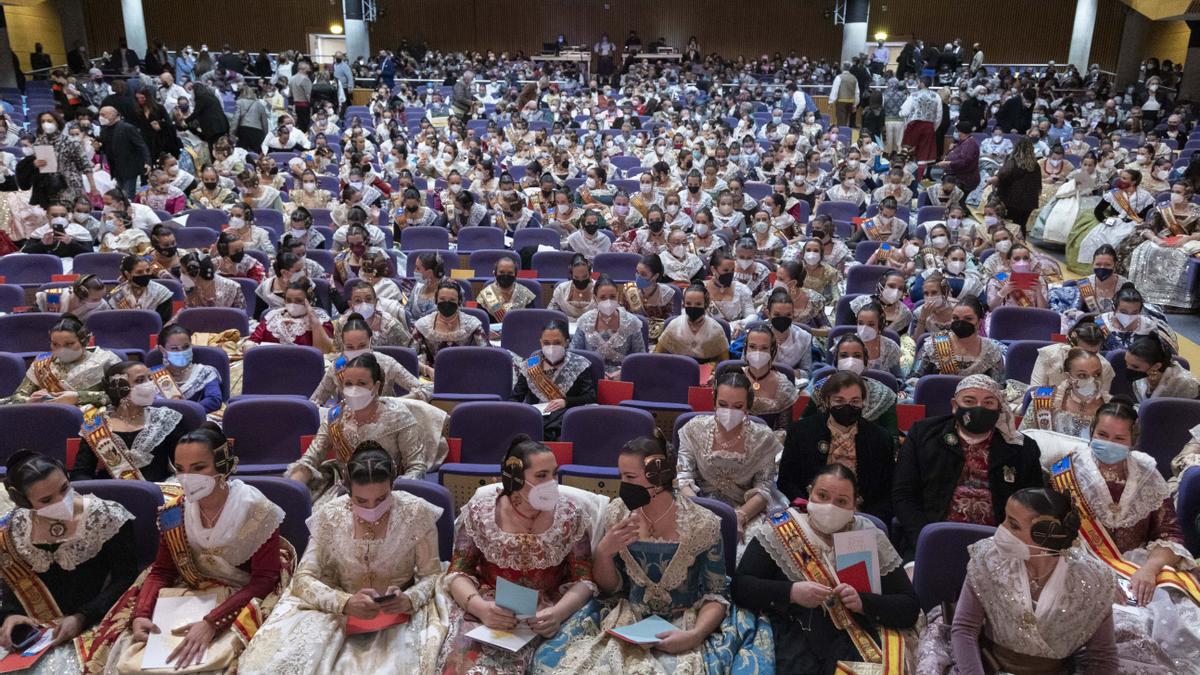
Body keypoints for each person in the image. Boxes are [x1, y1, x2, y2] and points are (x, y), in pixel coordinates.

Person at [537, 435, 774, 673]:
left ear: (659, 477)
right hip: (629, 617)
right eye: (621, 476)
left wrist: (694, 635)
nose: (623, 485)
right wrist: (604, 553)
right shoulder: (617, 513)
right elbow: (612, 589)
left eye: (630, 477)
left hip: (687, 619)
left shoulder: (702, 524)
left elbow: (716, 594)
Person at [90, 424, 293, 673]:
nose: (187, 478)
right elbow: (162, 571)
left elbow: (264, 580)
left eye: (198, 468)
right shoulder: (175, 512)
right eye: (180, 469)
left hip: (242, 593)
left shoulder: (257, 510)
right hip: (188, 590)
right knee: (131, 659)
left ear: (223, 465)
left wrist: (212, 622)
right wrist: (142, 614)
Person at [242, 443, 449, 674]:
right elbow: (303, 577)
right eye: (361, 501)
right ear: (348, 490)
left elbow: (432, 574)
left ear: (392, 485)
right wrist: (344, 602)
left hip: (399, 611)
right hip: (340, 610)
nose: (372, 508)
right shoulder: (330, 516)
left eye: (381, 499)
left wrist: (410, 598)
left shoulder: (416, 512)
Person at [1032, 402, 1200, 671]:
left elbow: (1169, 534)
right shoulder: (1063, 474)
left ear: (1133, 440)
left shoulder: (1149, 476)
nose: (1109, 443)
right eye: (1102, 435)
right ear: (1091, 432)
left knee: (1184, 621)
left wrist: (1149, 569)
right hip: (1079, 569)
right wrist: (1097, 578)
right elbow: (1051, 538)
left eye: (1119, 438)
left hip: (1140, 570)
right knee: (1121, 630)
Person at [734, 463, 918, 674]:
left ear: (854, 505)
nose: (830, 506)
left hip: (859, 636)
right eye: (822, 495)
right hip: (795, 634)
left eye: (841, 501)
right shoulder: (779, 529)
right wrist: (791, 592)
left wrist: (863, 603)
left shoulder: (868, 535)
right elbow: (741, 587)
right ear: (810, 492)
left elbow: (909, 607)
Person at [915, 487, 1119, 674]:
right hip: (987, 665)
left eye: (1013, 524)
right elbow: (965, 630)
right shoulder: (987, 558)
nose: (1001, 529)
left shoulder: (1095, 580)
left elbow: (1102, 657)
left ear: (1046, 535)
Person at [438, 436, 596, 673]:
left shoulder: (570, 515)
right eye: (541, 476)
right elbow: (458, 572)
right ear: (515, 478)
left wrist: (557, 613)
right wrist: (482, 609)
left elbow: (584, 579)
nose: (552, 482)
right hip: (493, 610)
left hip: (551, 611)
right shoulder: (482, 511)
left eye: (554, 473)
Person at [0, 450, 140, 675]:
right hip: (36, 632)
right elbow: (11, 581)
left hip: (97, 620)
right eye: (46, 500)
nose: (60, 501)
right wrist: (10, 615)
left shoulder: (106, 516)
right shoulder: (14, 528)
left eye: (64, 488)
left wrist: (82, 617)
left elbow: (126, 577)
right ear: (23, 501)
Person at [893, 374, 1043, 557]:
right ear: (955, 405)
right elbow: (903, 495)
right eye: (969, 401)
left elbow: (1032, 507)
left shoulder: (1022, 448)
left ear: (999, 408)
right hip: (930, 538)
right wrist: (925, 540)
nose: (979, 409)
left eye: (988, 403)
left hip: (999, 548)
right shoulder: (923, 434)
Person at [287, 353, 445, 505]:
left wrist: (389, 496)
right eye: (348, 384)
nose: (354, 389)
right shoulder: (335, 415)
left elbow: (416, 467)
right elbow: (312, 456)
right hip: (342, 491)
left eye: (361, 383)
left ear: (376, 386)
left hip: (388, 493)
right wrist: (293, 488)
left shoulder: (399, 416)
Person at [677, 367, 785, 540]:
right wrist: (701, 513)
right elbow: (683, 479)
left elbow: (763, 489)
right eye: (723, 404)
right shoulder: (693, 429)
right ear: (714, 402)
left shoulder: (763, 438)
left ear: (748, 406)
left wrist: (739, 517)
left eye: (738, 406)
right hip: (697, 504)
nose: (729, 411)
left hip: (745, 508)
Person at [781, 372, 896, 524]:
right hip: (808, 512)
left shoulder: (880, 438)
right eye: (839, 401)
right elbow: (786, 481)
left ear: (863, 402)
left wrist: (865, 519)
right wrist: (807, 507)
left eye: (855, 401)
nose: (847, 407)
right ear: (828, 401)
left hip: (859, 518)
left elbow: (886, 492)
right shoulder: (801, 431)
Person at [70, 360, 184, 482]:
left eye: (149, 378)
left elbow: (185, 467)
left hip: (161, 494)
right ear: (119, 389)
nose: (150, 384)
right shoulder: (96, 426)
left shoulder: (166, 418)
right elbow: (81, 475)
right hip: (112, 495)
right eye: (140, 380)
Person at [2, 314, 121, 407]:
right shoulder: (42, 364)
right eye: (55, 344)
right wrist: (30, 400)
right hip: (47, 417)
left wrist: (78, 397)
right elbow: (18, 396)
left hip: (92, 422)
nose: (61, 349)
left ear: (84, 341)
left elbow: (123, 395)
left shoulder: (106, 361)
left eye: (69, 344)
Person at [310, 315, 430, 406]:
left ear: (370, 341)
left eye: (362, 346)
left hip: (386, 421)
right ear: (343, 344)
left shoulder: (386, 363)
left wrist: (392, 402)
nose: (356, 351)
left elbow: (426, 389)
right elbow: (314, 401)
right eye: (350, 347)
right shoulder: (337, 366)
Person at [802, 335, 900, 441]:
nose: (850, 361)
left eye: (857, 356)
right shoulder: (821, 390)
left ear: (865, 360)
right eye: (844, 355)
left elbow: (892, 439)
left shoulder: (884, 395)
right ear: (836, 361)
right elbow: (802, 428)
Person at [513, 320, 597, 440]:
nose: (551, 347)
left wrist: (566, 402)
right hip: (537, 417)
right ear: (540, 343)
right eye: (546, 343)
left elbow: (590, 396)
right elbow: (515, 397)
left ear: (566, 342)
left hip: (566, 417)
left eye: (557, 343)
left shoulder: (579, 364)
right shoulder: (531, 365)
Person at [1127, 180, 1200, 311]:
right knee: (1147, 252)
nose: (1174, 195)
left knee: (1178, 257)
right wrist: (1155, 239)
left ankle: (1170, 301)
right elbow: (1148, 227)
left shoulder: (1196, 211)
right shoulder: (1163, 208)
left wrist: (1188, 238)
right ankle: (1145, 294)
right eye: (1173, 191)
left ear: (1187, 194)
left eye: (1178, 192)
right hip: (1160, 240)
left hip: (1183, 243)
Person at [1067, 169, 1155, 276]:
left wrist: (1135, 221)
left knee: (1118, 242)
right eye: (1121, 177)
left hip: (1133, 224)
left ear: (1133, 182)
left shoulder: (1145, 196)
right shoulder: (1114, 194)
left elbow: (1145, 216)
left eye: (1124, 178)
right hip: (1114, 222)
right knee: (1093, 238)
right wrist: (1105, 220)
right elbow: (1098, 210)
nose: (1120, 180)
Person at [1020, 348, 1112, 439]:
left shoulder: (1112, 405)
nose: (1092, 380)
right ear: (1069, 376)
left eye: (1097, 374)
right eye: (1082, 375)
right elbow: (1023, 440)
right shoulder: (1043, 398)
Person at [910, 295, 1005, 381]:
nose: (960, 322)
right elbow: (913, 381)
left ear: (980, 322)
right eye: (955, 318)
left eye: (968, 319)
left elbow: (998, 386)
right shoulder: (933, 344)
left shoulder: (991, 350)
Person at [410, 280, 487, 378]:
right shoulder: (423, 324)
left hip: (466, 376)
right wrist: (426, 369)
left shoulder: (472, 324)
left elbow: (486, 354)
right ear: (436, 300)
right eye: (442, 299)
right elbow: (410, 357)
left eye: (452, 300)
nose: (447, 303)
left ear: (459, 301)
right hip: (431, 378)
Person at [30, 111, 97, 208]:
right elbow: (36, 164)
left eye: (49, 121)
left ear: (57, 122)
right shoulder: (39, 142)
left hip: (70, 186)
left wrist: (93, 187)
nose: (46, 124)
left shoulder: (71, 141)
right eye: (43, 121)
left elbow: (85, 165)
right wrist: (35, 163)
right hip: (48, 186)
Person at [1027, 319, 1114, 393]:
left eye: (1094, 353)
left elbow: (1101, 402)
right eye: (1082, 352)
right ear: (1071, 344)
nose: (1088, 357)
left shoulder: (1104, 367)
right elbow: (1035, 391)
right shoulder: (1049, 355)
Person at [247, 279, 335, 352]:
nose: (293, 304)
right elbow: (254, 340)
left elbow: (323, 350)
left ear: (309, 301)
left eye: (299, 300)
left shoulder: (321, 320)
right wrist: (249, 346)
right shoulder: (272, 317)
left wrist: (314, 321)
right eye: (289, 300)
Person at [154, 324, 224, 413]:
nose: (181, 352)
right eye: (174, 348)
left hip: (198, 420)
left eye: (186, 347)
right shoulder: (154, 376)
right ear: (162, 350)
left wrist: (186, 411)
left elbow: (214, 401)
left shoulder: (205, 372)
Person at [655, 283, 731, 364]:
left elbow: (724, 363)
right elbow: (657, 356)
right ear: (684, 304)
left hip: (708, 374)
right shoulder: (674, 325)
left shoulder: (716, 329)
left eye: (698, 304)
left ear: (706, 304)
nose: (693, 307)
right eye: (688, 303)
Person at [334, 280, 411, 348]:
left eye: (368, 299)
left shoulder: (390, 324)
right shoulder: (343, 323)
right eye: (358, 300)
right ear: (351, 305)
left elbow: (409, 349)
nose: (364, 304)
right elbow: (339, 351)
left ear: (375, 302)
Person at [1124, 333, 1200, 402]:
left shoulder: (1188, 385)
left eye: (1135, 366)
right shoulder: (1142, 376)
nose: (1128, 368)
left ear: (1156, 366)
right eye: (1126, 363)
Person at [620, 254, 676, 342]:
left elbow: (669, 325)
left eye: (643, 274)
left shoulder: (666, 294)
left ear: (655, 276)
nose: (638, 277)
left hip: (659, 340)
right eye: (637, 272)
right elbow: (623, 320)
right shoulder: (629, 290)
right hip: (634, 338)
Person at [993, 137, 1042, 236]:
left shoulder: (1013, 161)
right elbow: (1038, 185)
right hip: (1029, 202)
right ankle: (1022, 245)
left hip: (1011, 200)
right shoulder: (1035, 165)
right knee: (1021, 225)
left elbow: (1003, 175)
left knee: (1008, 225)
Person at [760, 291, 814, 380]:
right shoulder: (756, 335)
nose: (782, 319)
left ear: (793, 314)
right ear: (768, 313)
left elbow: (807, 373)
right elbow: (745, 365)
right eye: (777, 315)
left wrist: (787, 372)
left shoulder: (804, 337)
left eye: (788, 315)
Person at [106, 254, 175, 323]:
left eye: (148, 270)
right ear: (128, 274)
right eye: (139, 272)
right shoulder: (117, 295)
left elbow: (163, 323)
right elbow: (115, 322)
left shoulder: (162, 293)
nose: (145, 274)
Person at [477, 256, 536, 323]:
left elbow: (531, 322)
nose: (505, 275)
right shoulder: (486, 295)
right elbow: (481, 324)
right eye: (501, 272)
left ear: (515, 274)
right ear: (495, 273)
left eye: (510, 273)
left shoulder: (525, 295)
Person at [180, 251, 246, 310]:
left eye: (183, 272)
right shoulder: (187, 289)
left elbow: (241, 317)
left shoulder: (233, 288)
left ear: (195, 273)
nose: (181, 277)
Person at [34, 274, 110, 319]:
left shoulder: (103, 306)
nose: (100, 301)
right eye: (95, 299)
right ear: (81, 294)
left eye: (101, 297)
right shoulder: (51, 297)